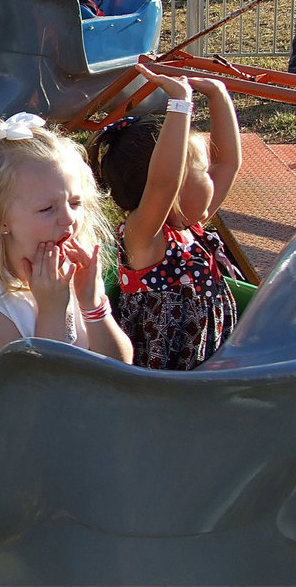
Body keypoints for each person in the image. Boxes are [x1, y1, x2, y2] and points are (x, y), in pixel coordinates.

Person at [0, 112, 133, 378]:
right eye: (47, 208)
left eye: (75, 203)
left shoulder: (72, 273)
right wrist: (51, 310)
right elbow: (36, 388)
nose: (69, 218)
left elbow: (121, 364)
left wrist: (92, 303)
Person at [86, 64, 242, 370]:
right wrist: (180, 104)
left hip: (206, 363)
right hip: (166, 377)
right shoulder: (145, 238)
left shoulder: (190, 224)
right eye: (202, 172)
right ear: (176, 186)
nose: (213, 177)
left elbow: (229, 165)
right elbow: (162, 184)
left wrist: (219, 95)